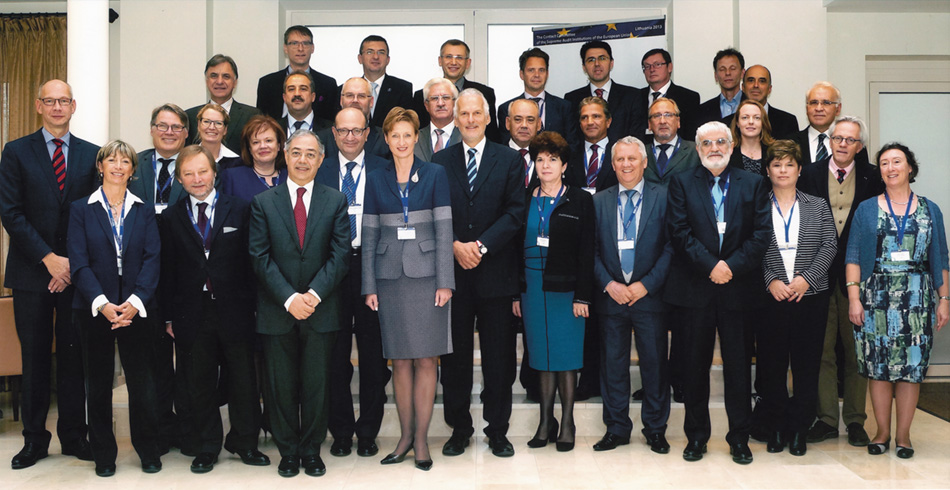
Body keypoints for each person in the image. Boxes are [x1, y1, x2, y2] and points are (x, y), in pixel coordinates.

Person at [0, 79, 96, 470]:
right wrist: (47, 258)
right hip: (31, 272)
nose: (57, 107)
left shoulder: (92, 154)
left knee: (75, 358)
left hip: (75, 274)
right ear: (39, 106)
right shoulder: (16, 152)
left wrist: (69, 263)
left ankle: (74, 436)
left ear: (74, 106)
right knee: (35, 357)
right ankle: (34, 439)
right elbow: (10, 212)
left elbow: (92, 214)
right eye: (50, 101)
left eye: (64, 101)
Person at [665, 121, 771, 464]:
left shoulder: (753, 183)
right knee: (693, 368)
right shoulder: (681, 183)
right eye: (706, 142)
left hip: (738, 291)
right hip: (695, 289)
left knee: (738, 370)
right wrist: (711, 265)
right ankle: (696, 437)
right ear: (697, 149)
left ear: (732, 145)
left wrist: (730, 267)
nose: (714, 147)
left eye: (720, 141)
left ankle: (739, 438)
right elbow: (679, 232)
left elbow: (760, 235)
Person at [159, 145, 269, 473]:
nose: (197, 179)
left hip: (235, 309)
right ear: (179, 179)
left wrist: (255, 307)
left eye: (202, 171)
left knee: (243, 379)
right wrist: (167, 316)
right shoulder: (171, 217)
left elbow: (253, 263)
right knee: (199, 381)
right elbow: (167, 270)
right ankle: (207, 445)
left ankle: (245, 442)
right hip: (191, 312)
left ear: (214, 173)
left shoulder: (240, 209)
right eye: (189, 174)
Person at [249, 129, 350, 478]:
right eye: (296, 153)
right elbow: (259, 257)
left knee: (317, 385)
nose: (303, 159)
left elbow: (340, 256)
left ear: (321, 160)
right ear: (285, 157)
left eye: (311, 154)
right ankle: (288, 452)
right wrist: (291, 298)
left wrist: (313, 296)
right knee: (280, 387)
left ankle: (311, 451)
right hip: (279, 309)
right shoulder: (264, 203)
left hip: (322, 309)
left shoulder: (336, 200)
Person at [432, 88, 524, 458]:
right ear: (455, 119)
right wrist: (455, 245)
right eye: (463, 114)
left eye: (476, 114)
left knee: (499, 359)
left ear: (488, 119)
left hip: (495, 274)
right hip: (453, 275)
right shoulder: (440, 161)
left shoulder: (509, 160)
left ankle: (497, 431)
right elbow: (435, 213)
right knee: (454, 360)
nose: (469, 120)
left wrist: (480, 246)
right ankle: (459, 429)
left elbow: (516, 212)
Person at [362, 107, 454, 470]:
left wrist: (446, 281)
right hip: (389, 278)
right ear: (386, 139)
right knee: (399, 360)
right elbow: (369, 232)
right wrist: (368, 284)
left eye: (407, 135)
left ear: (417, 138)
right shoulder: (376, 176)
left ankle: (421, 440)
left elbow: (445, 229)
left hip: (429, 276)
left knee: (426, 359)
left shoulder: (434, 173)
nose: (401, 142)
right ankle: (403, 436)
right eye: (394, 135)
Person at [845, 143, 949, 459]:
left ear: (910, 168)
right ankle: (881, 433)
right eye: (885, 163)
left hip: (917, 297)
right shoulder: (866, 209)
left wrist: (944, 298)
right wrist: (854, 298)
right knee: (878, 368)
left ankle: (903, 436)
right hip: (875, 296)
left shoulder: (930, 210)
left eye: (897, 162)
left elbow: (941, 258)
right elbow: (852, 257)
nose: (891, 168)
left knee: (911, 368)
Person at [67, 140, 162, 477]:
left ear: (133, 170)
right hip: (94, 309)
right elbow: (78, 263)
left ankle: (148, 449)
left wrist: (135, 303)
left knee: (142, 383)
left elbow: (153, 259)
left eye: (125, 161)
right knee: (98, 383)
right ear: (100, 166)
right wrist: (103, 304)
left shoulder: (144, 209)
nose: (118, 166)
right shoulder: (81, 209)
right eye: (112, 159)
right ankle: (104, 453)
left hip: (136, 308)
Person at [797, 115, 882, 446]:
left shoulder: (873, 177)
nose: (843, 144)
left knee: (855, 349)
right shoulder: (811, 173)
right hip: (817, 274)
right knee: (821, 350)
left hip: (858, 277)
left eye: (850, 140)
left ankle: (856, 420)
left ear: (859, 146)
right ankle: (828, 418)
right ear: (829, 142)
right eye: (838, 138)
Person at [314, 107, 390, 458]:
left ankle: (368, 431)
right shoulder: (320, 168)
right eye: (343, 131)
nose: (349, 137)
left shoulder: (383, 168)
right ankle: (341, 430)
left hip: (374, 269)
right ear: (333, 133)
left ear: (367, 133)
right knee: (336, 356)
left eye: (356, 131)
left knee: (374, 357)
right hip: (332, 271)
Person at [591, 136, 674, 454]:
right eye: (620, 160)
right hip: (611, 296)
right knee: (613, 365)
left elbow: (671, 247)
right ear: (612, 165)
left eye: (631, 159)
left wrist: (647, 285)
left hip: (649, 297)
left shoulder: (664, 197)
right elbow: (592, 251)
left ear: (644, 162)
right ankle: (616, 428)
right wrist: (609, 284)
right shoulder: (599, 201)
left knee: (654, 364)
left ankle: (655, 429)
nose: (626, 164)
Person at [512, 131, 593, 452]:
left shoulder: (580, 199)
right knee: (542, 356)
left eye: (553, 160)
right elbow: (514, 249)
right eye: (540, 159)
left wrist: (583, 295)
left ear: (564, 165)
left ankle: (568, 421)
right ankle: (546, 421)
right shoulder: (524, 197)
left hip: (567, 290)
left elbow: (588, 251)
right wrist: (517, 293)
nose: (546, 165)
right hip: (532, 290)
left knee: (566, 356)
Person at [757, 140, 837, 456]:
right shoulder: (758, 205)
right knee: (772, 367)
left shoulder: (817, 205)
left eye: (789, 164)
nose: (783, 170)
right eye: (777, 165)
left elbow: (829, 245)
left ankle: (799, 430)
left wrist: (806, 279)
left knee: (806, 367)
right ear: (768, 170)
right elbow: (752, 248)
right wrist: (771, 280)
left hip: (810, 298)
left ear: (799, 170)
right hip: (772, 299)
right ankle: (776, 428)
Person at [412, 39, 500, 142]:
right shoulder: (421, 96)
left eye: (459, 57)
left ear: (468, 63)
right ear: (440, 61)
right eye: (448, 57)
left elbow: (492, 135)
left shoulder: (485, 93)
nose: (453, 62)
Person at [564, 40, 645, 144]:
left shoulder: (632, 96)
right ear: (584, 67)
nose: (597, 64)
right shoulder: (571, 99)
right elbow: (572, 139)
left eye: (602, 58)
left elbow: (637, 137)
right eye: (591, 60)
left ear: (611, 63)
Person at [256, 25, 339, 123]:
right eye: (294, 43)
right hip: (279, 135)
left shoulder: (328, 84)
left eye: (305, 43)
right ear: (285, 48)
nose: (300, 48)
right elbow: (261, 121)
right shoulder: (267, 83)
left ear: (312, 48)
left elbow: (331, 122)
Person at [497, 48, 575, 146]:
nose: (537, 75)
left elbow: (571, 146)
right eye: (531, 70)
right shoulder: (506, 108)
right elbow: (505, 147)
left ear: (547, 74)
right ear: (521, 74)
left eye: (541, 70)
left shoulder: (564, 107)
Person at [185, 54, 261, 153]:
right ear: (207, 80)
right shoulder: (189, 117)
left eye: (226, 76)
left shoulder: (252, 116)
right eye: (214, 76)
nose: (220, 81)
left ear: (235, 82)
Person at [791, 82, 871, 167]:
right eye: (814, 102)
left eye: (826, 103)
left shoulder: (853, 143)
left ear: (838, 109)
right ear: (807, 108)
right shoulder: (791, 142)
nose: (819, 108)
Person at [220, 115, 288, 203]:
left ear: (278, 146)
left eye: (268, 141)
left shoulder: (291, 176)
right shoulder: (232, 178)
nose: (263, 146)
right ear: (249, 149)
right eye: (256, 142)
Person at [638, 48, 700, 141]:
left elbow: (689, 136)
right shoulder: (636, 97)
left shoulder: (688, 98)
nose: (652, 69)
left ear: (669, 67)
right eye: (647, 66)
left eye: (657, 64)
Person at [726, 65, 799, 140]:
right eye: (751, 80)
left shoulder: (787, 122)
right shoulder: (727, 124)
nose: (756, 85)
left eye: (762, 81)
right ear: (743, 87)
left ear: (769, 89)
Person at [357, 35, 413, 129]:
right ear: (360, 58)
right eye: (370, 52)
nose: (375, 57)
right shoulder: (347, 90)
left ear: (388, 60)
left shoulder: (403, 89)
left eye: (381, 52)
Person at [693, 48, 745, 127]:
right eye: (722, 69)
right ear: (716, 76)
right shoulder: (702, 111)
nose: (727, 73)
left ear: (742, 73)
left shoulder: (754, 106)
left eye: (732, 68)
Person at [414, 78, 460, 161]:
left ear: (455, 103)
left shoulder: (465, 136)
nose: (440, 103)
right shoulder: (415, 139)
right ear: (426, 105)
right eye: (434, 98)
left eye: (445, 97)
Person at [728, 99, 773, 176]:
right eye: (745, 117)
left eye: (757, 118)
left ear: (763, 123)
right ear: (737, 123)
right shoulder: (728, 152)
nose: (751, 122)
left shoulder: (773, 151)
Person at [279, 71, 331, 138]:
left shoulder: (330, 129)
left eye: (303, 89)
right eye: (291, 89)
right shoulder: (274, 129)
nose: (297, 94)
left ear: (313, 97)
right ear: (284, 98)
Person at [194, 102, 242, 170]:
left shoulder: (237, 162)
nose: (212, 127)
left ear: (225, 129)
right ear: (199, 125)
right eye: (207, 122)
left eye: (218, 123)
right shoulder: (187, 159)